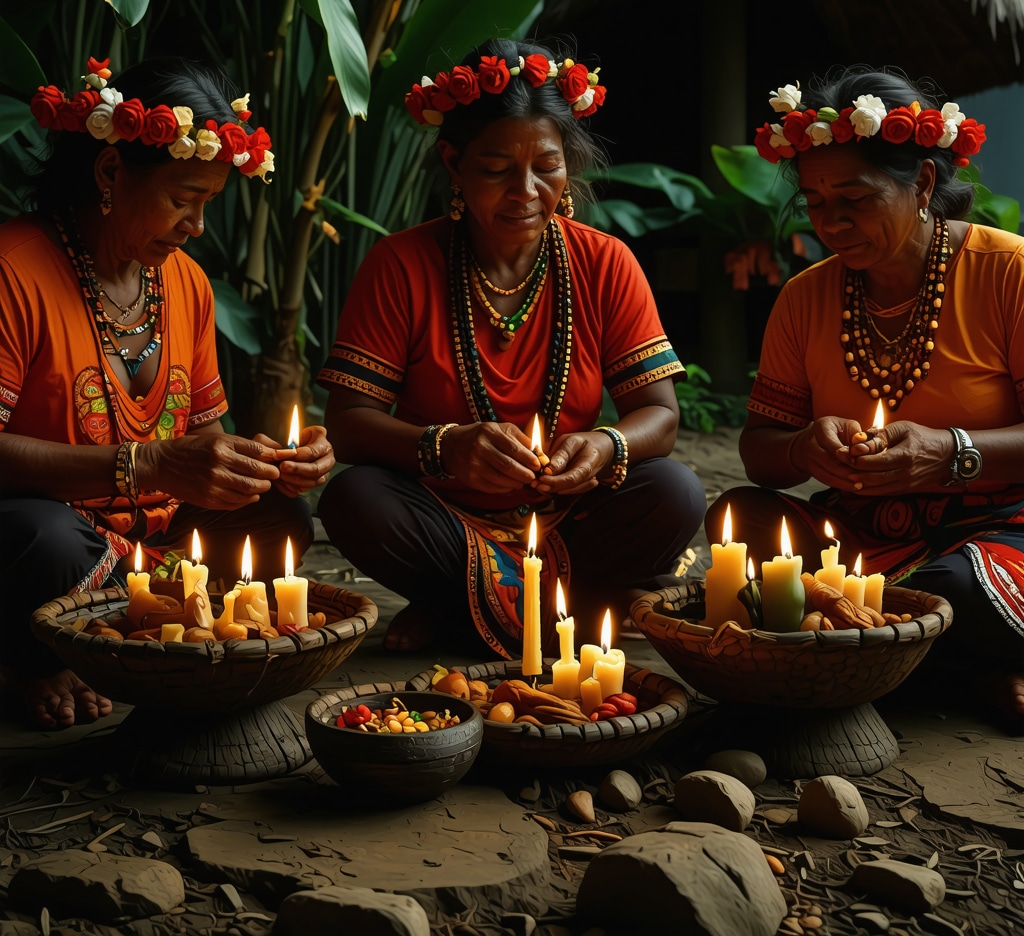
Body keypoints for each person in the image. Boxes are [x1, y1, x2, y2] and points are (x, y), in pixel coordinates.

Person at [317, 38, 705, 657]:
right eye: (496, 169)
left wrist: (607, 445)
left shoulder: (605, 262)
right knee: (354, 498)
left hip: (571, 515)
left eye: (546, 167)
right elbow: (348, 426)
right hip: (443, 516)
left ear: (568, 166)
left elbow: (660, 414)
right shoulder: (400, 263)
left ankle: (457, 609)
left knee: (675, 492)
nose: (525, 190)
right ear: (454, 164)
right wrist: (444, 447)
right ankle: (571, 607)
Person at [0, 56, 335, 728]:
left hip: (159, 539)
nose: (197, 227)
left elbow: (204, 441)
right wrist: (144, 464)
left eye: (207, 204)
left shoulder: (186, 284)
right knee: (46, 543)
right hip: (54, 540)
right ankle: (33, 657)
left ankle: (118, 629)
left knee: (283, 521)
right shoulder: (14, 270)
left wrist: (264, 465)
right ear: (110, 172)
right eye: (183, 199)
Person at [707, 64, 1024, 722]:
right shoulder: (806, 297)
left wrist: (951, 452)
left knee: (957, 589)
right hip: (858, 538)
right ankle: (956, 667)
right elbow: (760, 453)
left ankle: (868, 650)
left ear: (925, 183)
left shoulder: (1008, 272)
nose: (833, 222)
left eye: (856, 198)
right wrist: (803, 448)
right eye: (817, 202)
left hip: (999, 534)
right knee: (740, 521)